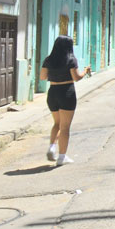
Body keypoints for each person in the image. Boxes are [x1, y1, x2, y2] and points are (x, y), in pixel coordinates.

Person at [38, 35, 91, 166]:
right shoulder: (71, 59)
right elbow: (76, 78)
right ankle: (62, 157)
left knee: (57, 123)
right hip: (67, 92)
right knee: (65, 127)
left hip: (53, 92)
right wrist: (85, 71)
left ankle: (52, 147)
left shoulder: (48, 60)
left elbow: (43, 77)